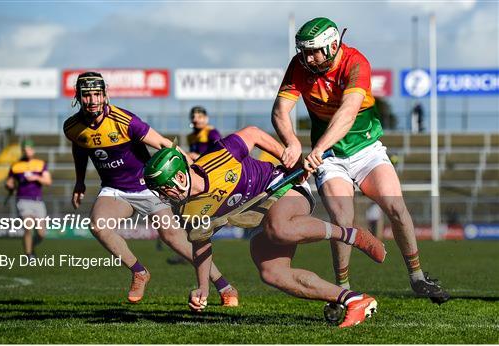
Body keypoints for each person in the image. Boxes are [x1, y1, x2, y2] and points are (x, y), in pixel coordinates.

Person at [271, 17, 450, 312]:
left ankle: (417, 276)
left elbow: (349, 111)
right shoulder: (299, 66)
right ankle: (342, 291)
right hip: (331, 161)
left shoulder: (356, 63)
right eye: (303, 51)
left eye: (313, 51)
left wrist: (318, 148)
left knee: (395, 207)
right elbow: (280, 110)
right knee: (343, 220)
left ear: (331, 45)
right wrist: (291, 141)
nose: (307, 57)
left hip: (366, 150)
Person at [144, 126, 386, 328]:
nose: (164, 196)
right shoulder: (188, 211)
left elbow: (253, 134)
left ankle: (351, 235)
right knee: (272, 273)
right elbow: (201, 245)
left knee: (279, 228)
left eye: (164, 189)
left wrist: (286, 157)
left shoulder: (218, 157)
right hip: (258, 216)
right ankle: (354, 300)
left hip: (282, 187)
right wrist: (203, 288)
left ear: (180, 177)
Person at [63, 71, 238, 306]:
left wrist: (193, 172)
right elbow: (80, 148)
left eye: (97, 94)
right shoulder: (72, 127)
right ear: (78, 97)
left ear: (105, 95)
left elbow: (165, 144)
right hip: (115, 191)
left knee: (175, 239)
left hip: (148, 188)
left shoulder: (125, 121)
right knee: (98, 226)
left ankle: (225, 286)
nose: (93, 100)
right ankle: (139, 272)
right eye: (87, 95)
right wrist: (80, 181)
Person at [164, 106, 222, 264]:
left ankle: (196, 253)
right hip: (196, 178)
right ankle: (188, 252)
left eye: (199, 116)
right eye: (194, 116)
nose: (196, 119)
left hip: (209, 179)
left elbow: (220, 152)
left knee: (196, 217)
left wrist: (199, 157)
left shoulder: (212, 133)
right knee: (187, 217)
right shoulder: (191, 136)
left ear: (206, 118)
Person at [6, 140, 52, 258]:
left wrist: (36, 177)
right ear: (22, 151)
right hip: (23, 201)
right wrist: (9, 186)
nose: (27, 152)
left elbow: (48, 181)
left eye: (29, 149)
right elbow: (9, 182)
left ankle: (31, 247)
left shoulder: (40, 164)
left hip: (38, 201)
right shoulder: (15, 166)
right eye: (25, 150)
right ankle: (29, 254)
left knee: (41, 234)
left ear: (33, 150)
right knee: (28, 227)